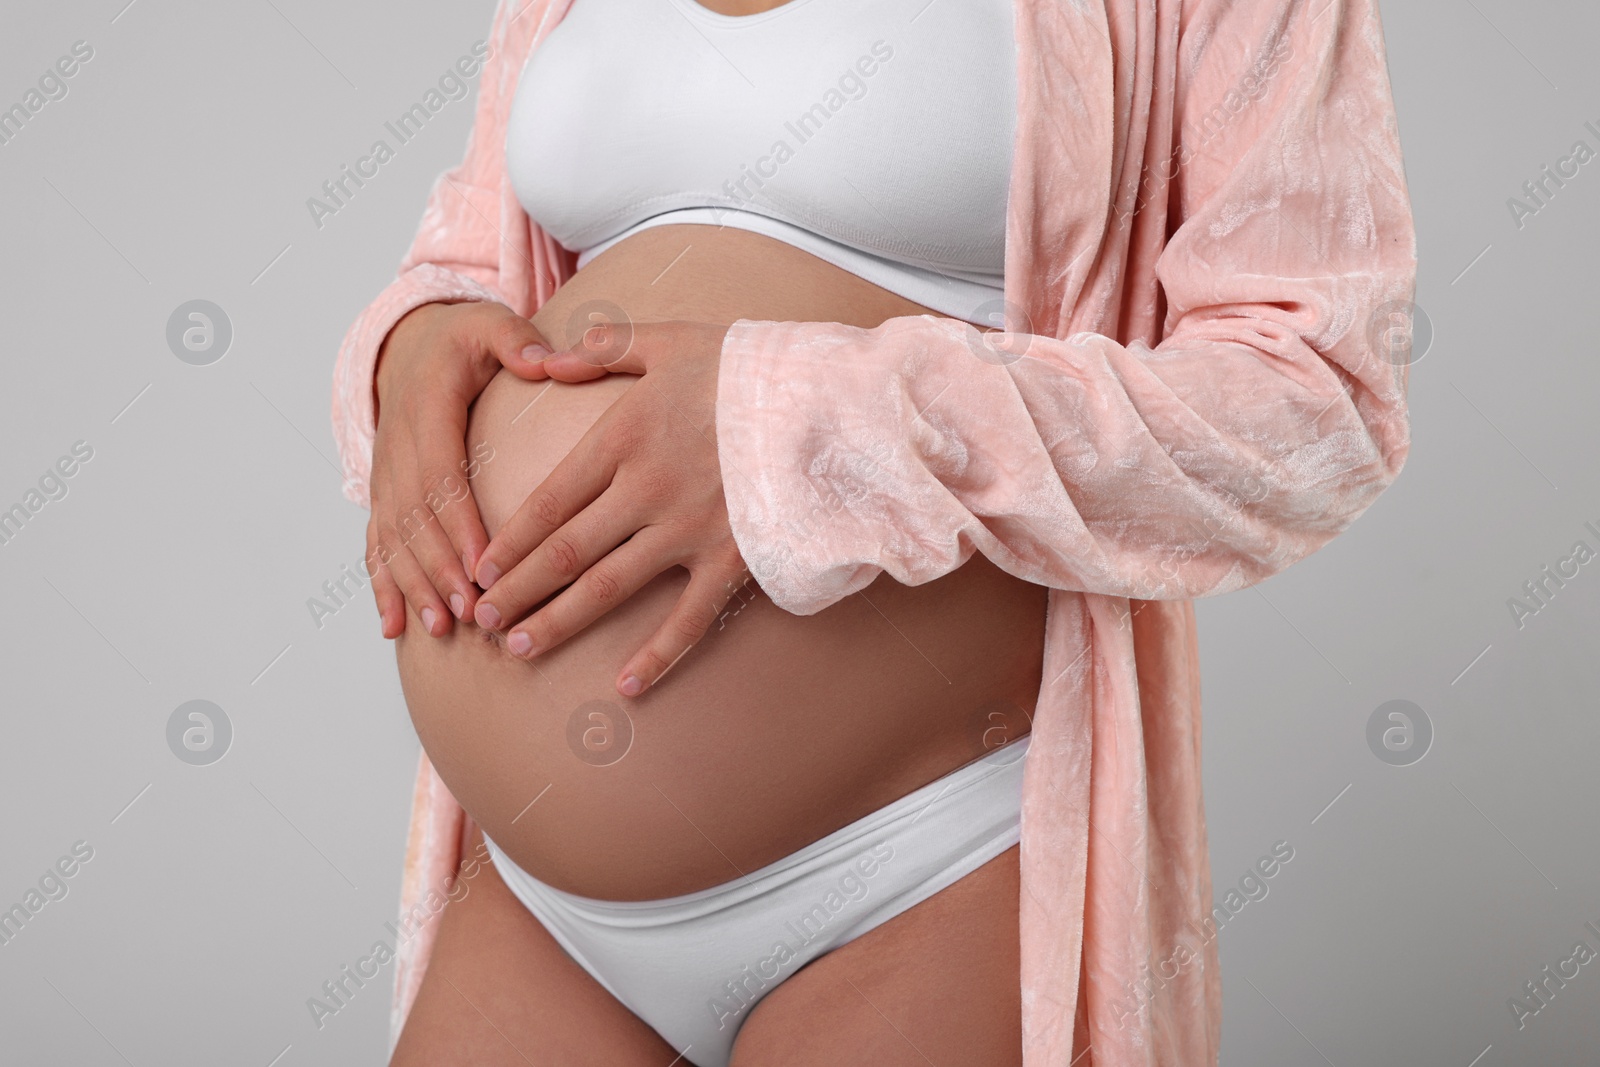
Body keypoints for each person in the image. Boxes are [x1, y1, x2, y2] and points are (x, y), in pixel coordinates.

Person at [330, 0, 1416, 1062]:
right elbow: (476, 264)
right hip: (539, 902)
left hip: (916, 865)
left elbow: (1316, 400)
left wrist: (797, 421)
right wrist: (414, 345)